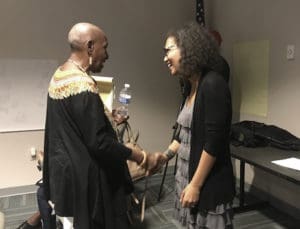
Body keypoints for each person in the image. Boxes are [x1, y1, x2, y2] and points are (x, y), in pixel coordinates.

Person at [43, 22, 165, 229]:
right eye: (105, 47)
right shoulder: (83, 85)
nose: (107, 55)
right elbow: (99, 143)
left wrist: (105, 115)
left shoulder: (60, 74)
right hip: (86, 181)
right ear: (90, 46)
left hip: (64, 174)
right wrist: (142, 157)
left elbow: (74, 124)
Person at [161, 22, 235, 228]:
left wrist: (195, 185)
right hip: (187, 175)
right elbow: (183, 132)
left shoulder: (213, 84)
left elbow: (214, 142)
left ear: (187, 49)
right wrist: (164, 156)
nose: (165, 58)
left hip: (208, 183)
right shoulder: (190, 85)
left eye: (169, 50)